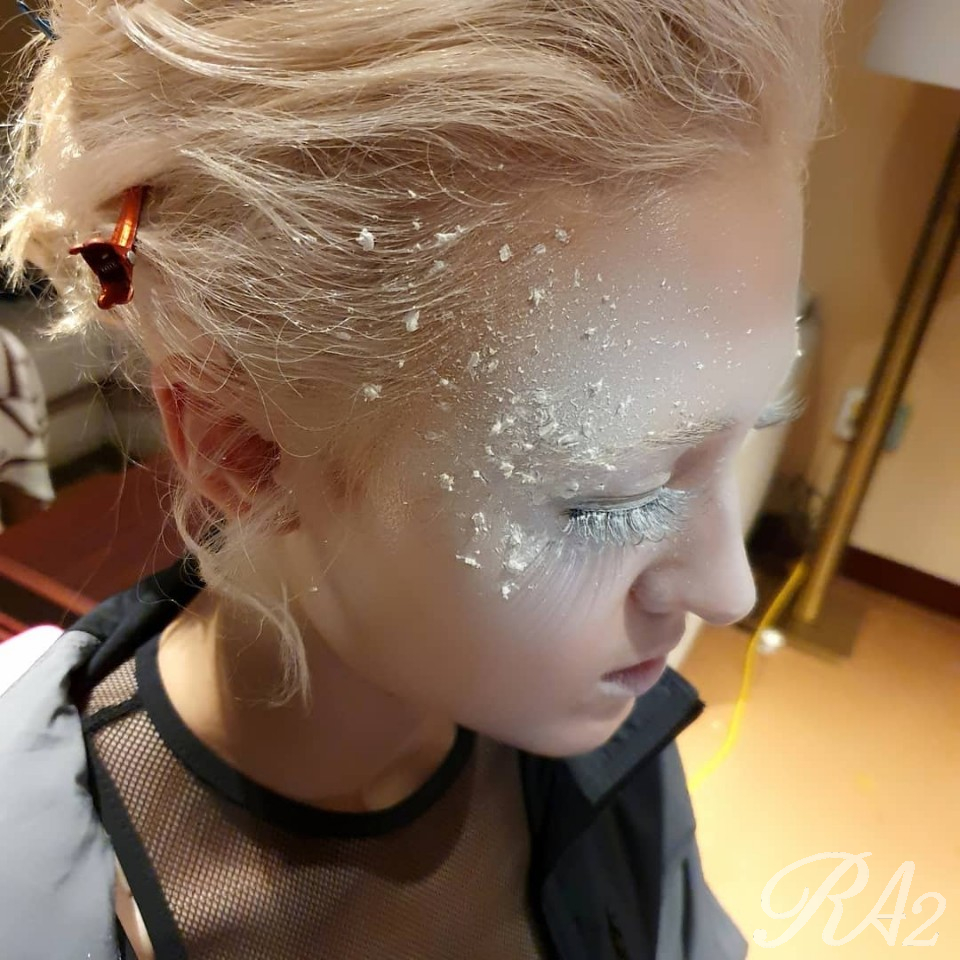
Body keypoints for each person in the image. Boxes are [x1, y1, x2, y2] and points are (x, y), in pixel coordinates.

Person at [0, 1, 833, 957]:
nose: (730, 591)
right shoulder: (40, 903)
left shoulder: (600, 741)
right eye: (612, 501)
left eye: (753, 425)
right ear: (245, 454)